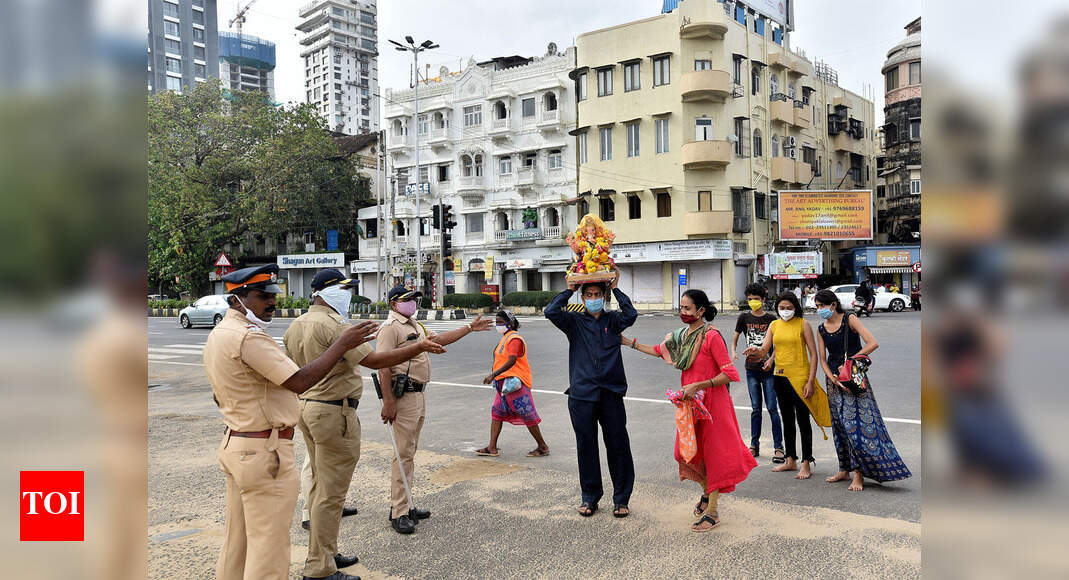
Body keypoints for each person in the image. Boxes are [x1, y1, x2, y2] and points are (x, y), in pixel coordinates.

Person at [204, 264, 377, 580]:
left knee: (237, 544)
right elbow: (298, 381)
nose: (271, 301)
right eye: (262, 295)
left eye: (272, 294)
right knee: (268, 550)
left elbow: (220, 396)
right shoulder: (248, 338)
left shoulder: (221, 334)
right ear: (236, 298)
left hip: (238, 443)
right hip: (263, 452)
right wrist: (343, 343)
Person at [284, 270, 445, 580]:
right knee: (330, 494)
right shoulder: (335, 326)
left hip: (308, 409)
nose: (348, 294)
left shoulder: (296, 325)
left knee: (319, 489)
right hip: (334, 413)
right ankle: (319, 568)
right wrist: (419, 347)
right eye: (344, 289)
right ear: (327, 292)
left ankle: (325, 554)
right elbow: (374, 361)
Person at [622, 290, 757, 532]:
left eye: (687, 309)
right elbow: (658, 350)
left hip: (714, 404)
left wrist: (699, 384)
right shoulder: (682, 335)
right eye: (681, 307)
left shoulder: (712, 336)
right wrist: (628, 342)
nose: (682, 313)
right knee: (686, 452)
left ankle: (713, 511)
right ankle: (706, 492)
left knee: (714, 455)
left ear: (701, 311)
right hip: (691, 404)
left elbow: (729, 374)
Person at [376, 286, 493, 534]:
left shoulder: (414, 325)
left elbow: (436, 341)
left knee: (409, 451)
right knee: (402, 454)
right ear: (394, 303)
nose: (412, 303)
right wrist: (388, 402)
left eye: (414, 299)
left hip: (418, 394)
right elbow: (383, 366)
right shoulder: (390, 328)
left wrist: (469, 328)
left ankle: (405, 502)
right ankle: (399, 512)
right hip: (402, 396)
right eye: (407, 299)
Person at [545, 274, 638, 518]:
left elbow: (631, 315)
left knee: (618, 446)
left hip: (611, 393)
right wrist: (568, 289)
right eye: (589, 295)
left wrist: (616, 289)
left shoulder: (614, 320)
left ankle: (621, 499)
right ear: (583, 298)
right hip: (582, 394)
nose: (594, 299)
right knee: (586, 447)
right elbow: (551, 311)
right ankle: (590, 497)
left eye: (598, 295)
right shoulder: (573, 321)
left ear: (604, 297)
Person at [813, 290, 912, 491]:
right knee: (840, 426)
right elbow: (822, 359)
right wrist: (832, 377)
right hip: (833, 380)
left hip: (853, 379)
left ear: (833, 304)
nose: (819, 310)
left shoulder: (850, 319)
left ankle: (858, 474)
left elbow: (872, 343)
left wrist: (849, 363)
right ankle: (844, 469)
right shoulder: (821, 329)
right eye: (817, 307)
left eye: (822, 306)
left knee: (855, 427)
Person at [743, 292, 829, 480]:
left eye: (789, 308)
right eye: (782, 308)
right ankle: (790, 459)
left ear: (795, 308)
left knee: (803, 421)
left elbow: (813, 355)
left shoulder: (802, 324)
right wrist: (755, 352)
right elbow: (765, 350)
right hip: (780, 378)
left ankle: (806, 461)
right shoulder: (774, 325)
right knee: (787, 420)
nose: (785, 311)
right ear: (777, 308)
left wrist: (810, 381)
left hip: (800, 378)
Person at [475, 310, 550, 458]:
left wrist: (493, 375)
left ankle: (542, 446)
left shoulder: (514, 339)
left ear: (510, 323)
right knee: (497, 413)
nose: (498, 325)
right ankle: (492, 447)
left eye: (501, 322)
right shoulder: (505, 338)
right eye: (497, 322)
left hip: (515, 385)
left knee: (527, 414)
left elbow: (512, 360)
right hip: (503, 385)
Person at [731, 283, 784, 463]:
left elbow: (777, 344)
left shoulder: (771, 319)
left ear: (763, 299)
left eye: (756, 299)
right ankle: (754, 445)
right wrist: (733, 351)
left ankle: (779, 448)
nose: (753, 302)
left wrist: (771, 360)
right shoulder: (743, 317)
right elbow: (736, 337)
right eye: (750, 299)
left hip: (768, 370)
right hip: (751, 369)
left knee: (771, 408)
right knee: (755, 409)